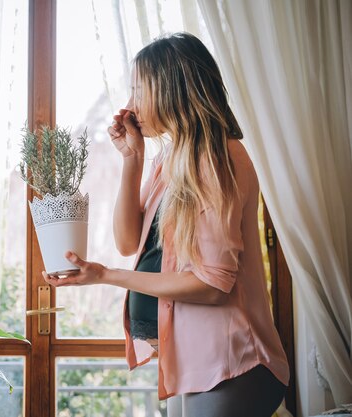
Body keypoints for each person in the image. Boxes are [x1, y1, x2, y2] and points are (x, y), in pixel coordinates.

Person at [43, 32, 290, 417]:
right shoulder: (170, 159)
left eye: (140, 89)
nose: (130, 104)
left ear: (172, 88)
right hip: (190, 360)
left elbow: (211, 285)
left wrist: (108, 276)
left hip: (232, 362)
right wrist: (133, 158)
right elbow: (128, 242)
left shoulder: (216, 157)